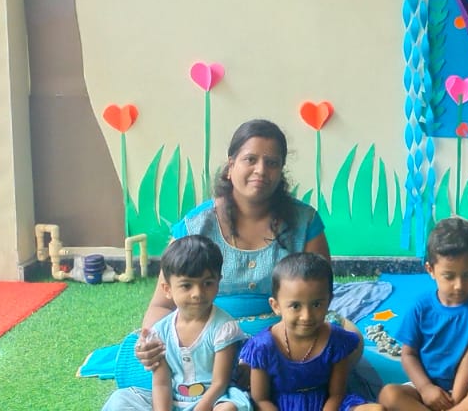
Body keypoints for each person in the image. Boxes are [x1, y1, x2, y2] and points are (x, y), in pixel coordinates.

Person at [132, 120, 378, 398]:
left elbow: (320, 291)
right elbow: (162, 304)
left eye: (272, 163)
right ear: (231, 165)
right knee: (149, 364)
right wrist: (150, 341)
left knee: (351, 341)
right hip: (207, 334)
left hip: (286, 332)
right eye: (250, 159)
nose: (261, 170)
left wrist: (264, 351)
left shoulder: (304, 222)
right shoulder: (196, 225)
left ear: (281, 171)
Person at [104, 235, 252, 411]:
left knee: (228, 409)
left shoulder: (224, 328)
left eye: (207, 283)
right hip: (174, 400)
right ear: (167, 289)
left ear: (218, 282)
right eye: (186, 285)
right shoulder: (160, 331)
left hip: (214, 400)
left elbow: (220, 382)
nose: (197, 293)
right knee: (120, 400)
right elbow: (161, 384)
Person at [379, 218, 468, 411]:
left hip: (467, 387)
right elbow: (408, 354)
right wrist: (426, 389)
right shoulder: (420, 307)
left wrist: (455, 399)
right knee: (388, 394)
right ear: (430, 270)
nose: (459, 285)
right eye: (449, 276)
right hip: (427, 386)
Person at [243, 253, 382, 411]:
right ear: (276, 306)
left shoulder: (336, 341)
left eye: (316, 304)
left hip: (327, 404)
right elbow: (260, 399)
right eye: (295, 306)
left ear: (329, 301)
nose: (306, 316)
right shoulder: (262, 347)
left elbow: (337, 394)